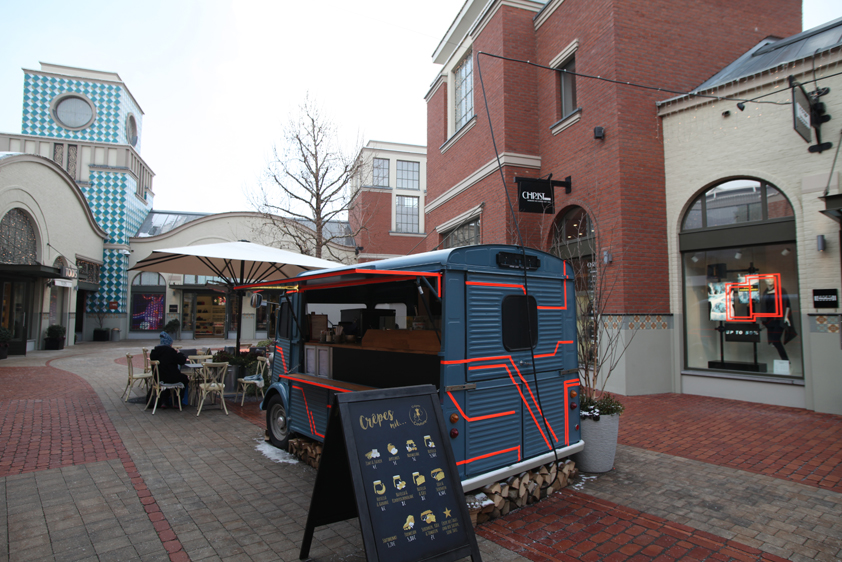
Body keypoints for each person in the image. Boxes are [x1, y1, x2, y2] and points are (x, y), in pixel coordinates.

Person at [148, 331, 189, 407]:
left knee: (166, 377)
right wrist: (179, 353)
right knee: (184, 378)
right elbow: (182, 361)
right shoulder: (170, 352)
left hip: (158, 378)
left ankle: (164, 401)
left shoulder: (154, 352)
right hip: (170, 378)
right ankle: (177, 401)